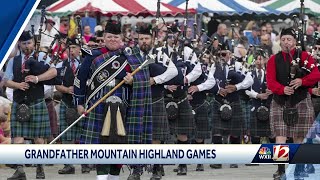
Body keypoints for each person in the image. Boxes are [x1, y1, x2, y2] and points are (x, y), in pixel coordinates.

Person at [74, 20, 152, 180]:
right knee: (100, 143)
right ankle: (102, 178)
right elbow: (80, 80)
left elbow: (143, 79)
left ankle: (114, 177)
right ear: (104, 37)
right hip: (98, 105)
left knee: (119, 142)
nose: (113, 40)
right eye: (109, 37)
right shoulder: (93, 55)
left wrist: (133, 81)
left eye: (116, 37)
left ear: (122, 38)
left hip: (123, 105)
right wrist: (79, 103)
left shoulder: (131, 56)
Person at [266, 27, 320, 180]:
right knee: (280, 137)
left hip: (301, 100)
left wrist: (302, 81)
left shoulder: (304, 56)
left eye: (289, 39)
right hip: (280, 102)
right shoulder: (273, 60)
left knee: (299, 138)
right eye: (283, 40)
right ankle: (281, 170)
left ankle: (297, 169)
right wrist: (282, 89)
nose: (286, 42)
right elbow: (270, 82)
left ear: (295, 42)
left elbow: (316, 74)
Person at [4, 31, 57, 180]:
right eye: (24, 43)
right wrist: (17, 85)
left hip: (37, 102)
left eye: (29, 43)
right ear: (19, 44)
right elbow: (6, 80)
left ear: (33, 43)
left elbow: (53, 72)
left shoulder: (41, 57)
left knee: (38, 139)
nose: (27, 46)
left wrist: (37, 78)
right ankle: (20, 170)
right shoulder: (14, 60)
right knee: (17, 138)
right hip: (19, 102)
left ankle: (39, 168)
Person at [135, 24, 178, 180]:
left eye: (146, 38)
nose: (144, 41)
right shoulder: (132, 54)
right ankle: (136, 170)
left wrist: (156, 80)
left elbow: (174, 71)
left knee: (156, 138)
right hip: (138, 99)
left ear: (152, 39)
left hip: (156, 98)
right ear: (137, 40)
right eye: (141, 39)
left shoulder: (160, 54)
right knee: (137, 136)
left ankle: (157, 168)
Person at [210, 42, 253, 169]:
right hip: (219, 101)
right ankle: (217, 160)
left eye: (224, 54)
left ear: (229, 54)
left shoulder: (238, 65)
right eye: (219, 54)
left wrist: (236, 87)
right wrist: (218, 89)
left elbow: (249, 80)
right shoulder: (214, 66)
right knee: (217, 131)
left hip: (234, 100)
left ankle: (233, 158)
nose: (221, 57)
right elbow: (209, 80)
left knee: (235, 131)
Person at [55, 37, 91, 175]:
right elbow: (57, 85)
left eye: (75, 47)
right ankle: (68, 165)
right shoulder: (60, 65)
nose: (72, 51)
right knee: (66, 136)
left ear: (80, 49)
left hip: (83, 103)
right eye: (69, 48)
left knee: (84, 135)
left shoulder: (87, 64)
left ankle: (86, 163)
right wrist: (66, 89)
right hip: (66, 102)